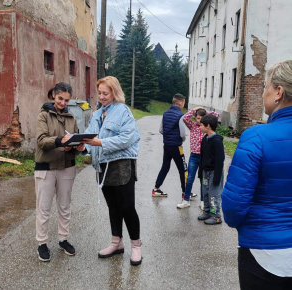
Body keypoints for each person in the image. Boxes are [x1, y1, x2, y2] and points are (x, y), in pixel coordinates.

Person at [222, 60, 292, 288]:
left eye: (266, 87)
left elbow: (233, 209)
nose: (263, 93)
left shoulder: (256, 137)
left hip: (265, 253)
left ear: (278, 92)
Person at [83, 76, 142, 266]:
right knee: (113, 207)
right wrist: (81, 147)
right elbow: (89, 140)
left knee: (127, 207)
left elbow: (126, 139)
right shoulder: (96, 115)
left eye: (105, 93)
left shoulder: (124, 112)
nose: (101, 96)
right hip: (102, 166)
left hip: (122, 166)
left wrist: (100, 142)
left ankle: (136, 246)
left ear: (114, 92)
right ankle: (117, 243)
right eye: (99, 93)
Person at [35, 82, 85, 262]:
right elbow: (41, 141)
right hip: (46, 168)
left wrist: (78, 146)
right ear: (53, 96)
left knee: (64, 207)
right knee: (44, 208)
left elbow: (77, 138)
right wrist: (60, 141)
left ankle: (63, 240)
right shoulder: (43, 115)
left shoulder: (72, 118)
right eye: (60, 99)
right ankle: (42, 243)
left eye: (66, 100)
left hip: (67, 167)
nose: (63, 103)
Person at [177, 107, 220, 209]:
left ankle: (203, 201)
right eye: (197, 118)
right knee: (190, 178)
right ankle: (186, 200)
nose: (199, 120)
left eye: (201, 118)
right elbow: (185, 118)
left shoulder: (205, 127)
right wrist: (194, 109)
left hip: (204, 156)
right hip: (194, 156)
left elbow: (217, 116)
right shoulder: (192, 126)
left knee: (203, 179)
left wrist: (205, 111)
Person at [152, 94, 188, 199]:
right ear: (180, 103)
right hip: (177, 146)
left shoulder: (165, 113)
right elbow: (182, 134)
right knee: (183, 168)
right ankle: (185, 192)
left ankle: (156, 189)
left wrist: (168, 137)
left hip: (167, 145)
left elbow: (161, 130)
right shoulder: (181, 115)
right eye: (184, 103)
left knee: (165, 166)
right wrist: (182, 140)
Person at [197, 114, 225, 225]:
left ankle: (216, 216)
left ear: (208, 126)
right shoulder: (205, 139)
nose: (200, 127)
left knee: (214, 195)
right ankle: (207, 212)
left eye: (201, 125)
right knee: (205, 193)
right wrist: (200, 171)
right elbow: (202, 156)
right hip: (205, 172)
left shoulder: (217, 142)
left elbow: (220, 160)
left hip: (214, 173)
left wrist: (217, 177)